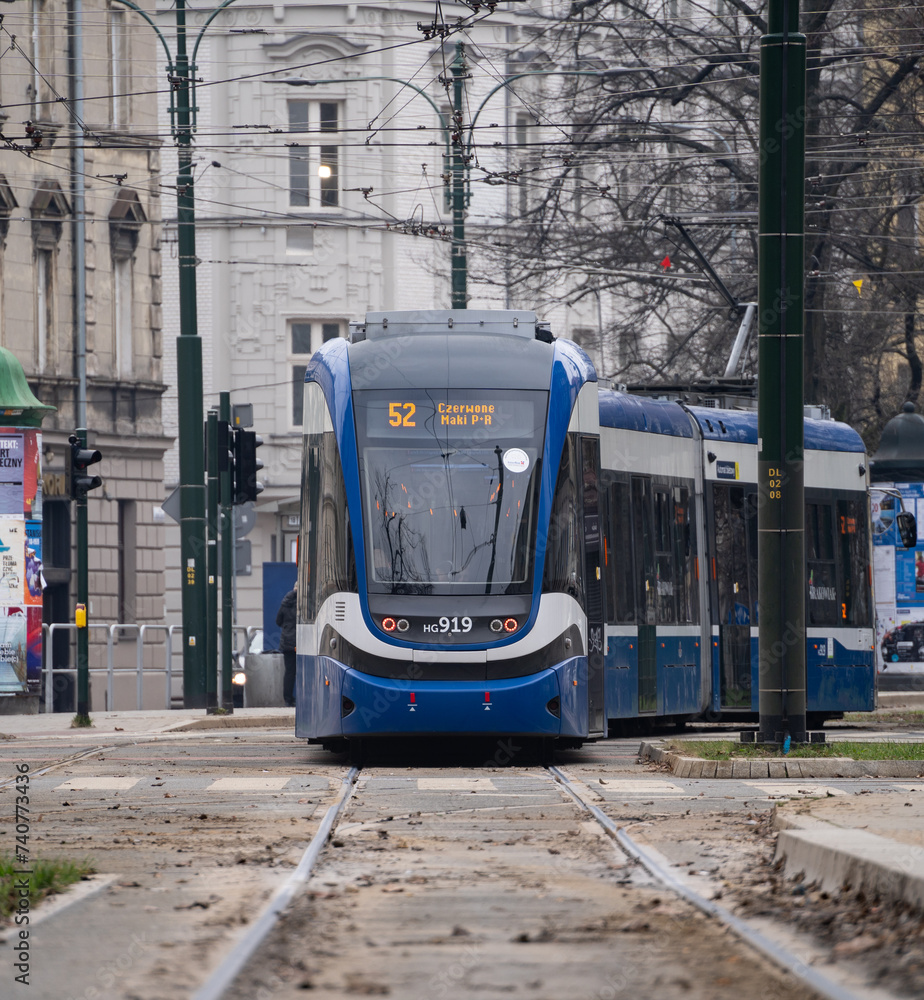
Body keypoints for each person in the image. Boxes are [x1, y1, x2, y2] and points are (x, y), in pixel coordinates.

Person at [276, 587, 297, 707]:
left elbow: (278, 621)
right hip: (301, 641)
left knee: (289, 671)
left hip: (288, 642)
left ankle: (288, 699)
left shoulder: (285, 602)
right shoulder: (304, 603)